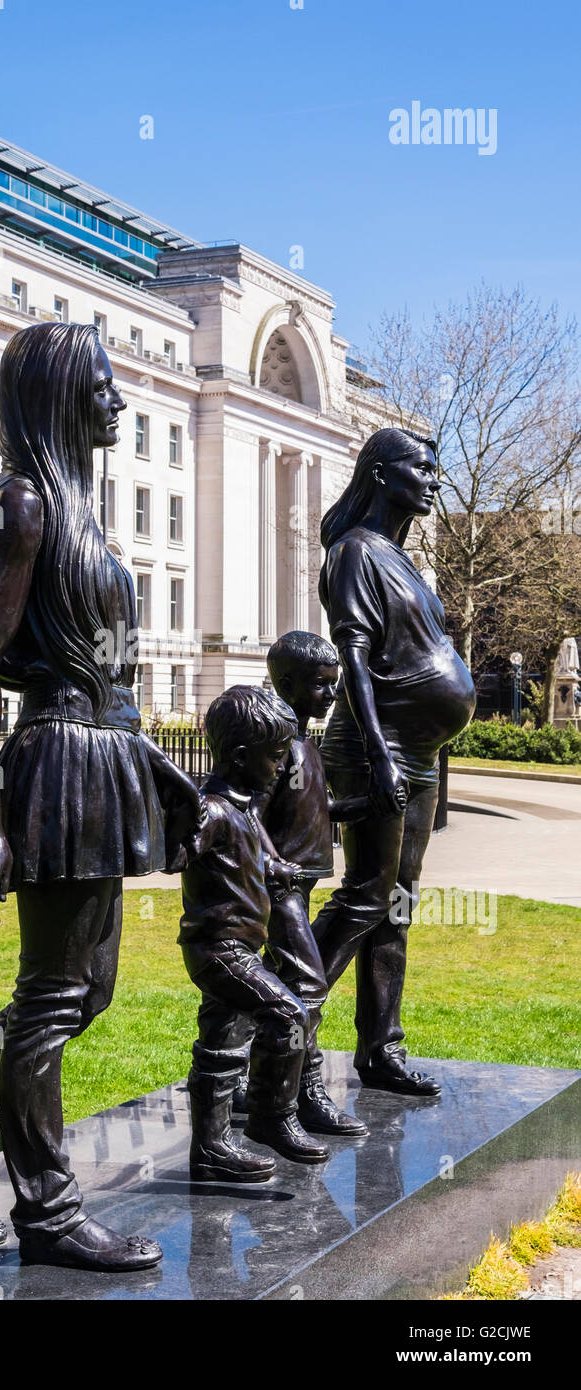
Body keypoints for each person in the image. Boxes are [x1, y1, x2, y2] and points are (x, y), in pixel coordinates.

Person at [0, 323, 201, 1272]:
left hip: (104, 753)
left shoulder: (78, 508)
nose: (117, 401)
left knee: (84, 991)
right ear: (62, 392)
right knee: (57, 991)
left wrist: (154, 770)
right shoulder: (21, 505)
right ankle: (49, 1208)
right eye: (102, 386)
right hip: (60, 758)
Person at [307, 428, 476, 1096]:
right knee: (365, 896)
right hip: (376, 750)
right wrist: (380, 756)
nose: (435, 479)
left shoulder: (402, 560)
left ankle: (381, 1048)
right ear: (381, 474)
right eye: (424, 468)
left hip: (419, 755)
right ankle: (276, 1023)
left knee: (396, 904)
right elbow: (352, 662)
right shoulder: (354, 554)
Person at [178, 684, 330, 1184]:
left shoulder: (242, 805)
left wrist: (275, 867)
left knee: (221, 1042)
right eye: (275, 756)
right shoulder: (214, 809)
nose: (281, 765)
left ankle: (212, 1148)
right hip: (218, 949)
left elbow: (255, 855)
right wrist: (182, 825)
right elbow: (176, 855)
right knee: (289, 1012)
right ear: (243, 757)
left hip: (242, 944)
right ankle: (271, 1114)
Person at [256, 630, 371, 1136]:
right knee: (307, 985)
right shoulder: (276, 743)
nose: (331, 695)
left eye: (335, 685)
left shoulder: (306, 741)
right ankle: (302, 1095)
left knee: (275, 982)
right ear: (287, 684)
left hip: (301, 885)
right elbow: (247, 809)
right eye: (322, 686)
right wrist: (271, 862)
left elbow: (319, 813)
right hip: (281, 889)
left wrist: (369, 805)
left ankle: (255, 1082)